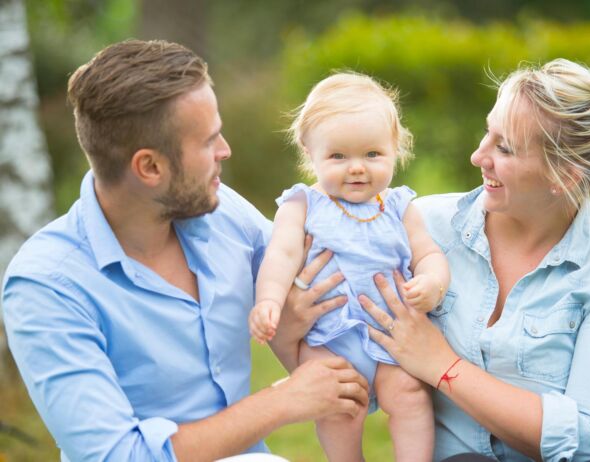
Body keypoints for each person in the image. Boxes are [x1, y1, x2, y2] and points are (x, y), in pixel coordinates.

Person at [273, 59, 590, 461]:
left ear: (564, 176)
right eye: (487, 133)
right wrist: (287, 329)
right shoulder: (421, 228)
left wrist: (443, 366)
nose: (479, 157)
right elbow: (349, 380)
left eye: (506, 149)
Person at [1, 40, 368, 462]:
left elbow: (321, 275)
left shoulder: (219, 210)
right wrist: (283, 400)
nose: (225, 150)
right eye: (208, 140)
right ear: (150, 167)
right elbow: (116, 456)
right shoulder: (47, 283)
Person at [250, 72, 450, 461]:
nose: (356, 168)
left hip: (392, 336)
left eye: (372, 154)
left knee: (410, 395)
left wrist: (432, 282)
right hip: (330, 339)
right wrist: (269, 300)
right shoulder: (302, 205)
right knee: (341, 407)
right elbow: (282, 255)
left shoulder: (398, 206)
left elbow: (428, 254)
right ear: (310, 153)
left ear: (395, 150)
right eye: (338, 156)